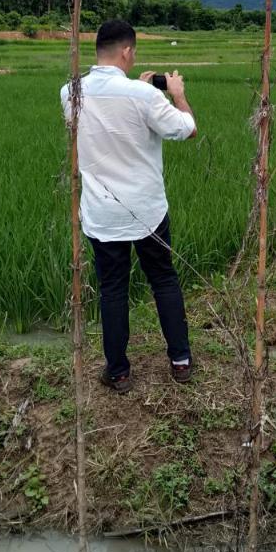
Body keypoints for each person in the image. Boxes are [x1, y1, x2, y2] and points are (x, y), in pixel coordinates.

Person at [60, 19, 197, 394]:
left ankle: (118, 371)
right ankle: (181, 360)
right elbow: (187, 129)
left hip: (102, 213)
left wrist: (136, 90)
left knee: (113, 290)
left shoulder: (69, 92)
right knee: (164, 280)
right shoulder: (146, 97)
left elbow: (103, 118)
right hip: (147, 209)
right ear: (127, 52)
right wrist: (177, 94)